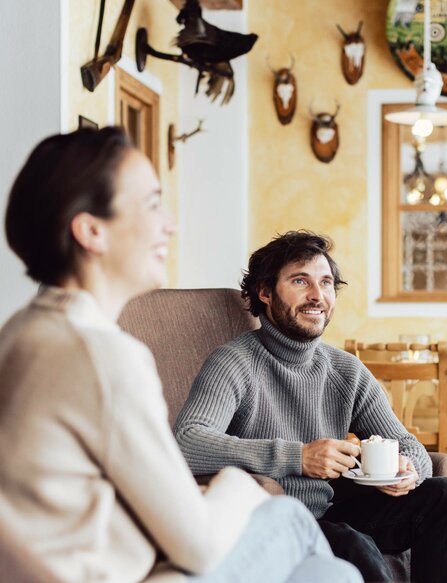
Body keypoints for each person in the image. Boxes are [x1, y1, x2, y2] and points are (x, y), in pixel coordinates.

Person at [0, 131, 362, 583]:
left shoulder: (18, 332)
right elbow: (199, 545)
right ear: (91, 230)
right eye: (151, 204)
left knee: (327, 573)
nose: (169, 224)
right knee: (297, 526)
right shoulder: (105, 357)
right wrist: (238, 484)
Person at [174, 230, 447, 583]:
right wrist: (298, 457)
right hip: (273, 516)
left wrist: (407, 470)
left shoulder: (345, 370)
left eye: (327, 283)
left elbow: (408, 445)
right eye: (301, 281)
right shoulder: (233, 362)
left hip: (331, 509)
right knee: (354, 545)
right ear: (265, 292)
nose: (317, 296)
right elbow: (186, 441)